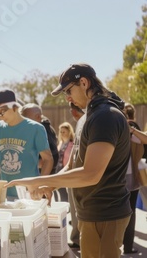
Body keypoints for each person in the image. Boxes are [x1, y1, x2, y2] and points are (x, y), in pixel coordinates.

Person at [6, 63, 131, 257]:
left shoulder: (106, 116)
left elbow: (91, 174)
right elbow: (73, 165)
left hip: (106, 213)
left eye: (69, 90)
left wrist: (38, 180)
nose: (68, 98)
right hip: (89, 212)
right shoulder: (87, 118)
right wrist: (50, 186)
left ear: (84, 82)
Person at [0, 89, 53, 200]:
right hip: (6, 192)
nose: (0, 116)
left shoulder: (36, 128)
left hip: (29, 194)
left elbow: (48, 159)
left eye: (2, 112)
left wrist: (39, 184)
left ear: (15, 107)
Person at [122, 102, 144, 254]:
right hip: (129, 176)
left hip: (121, 176)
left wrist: (132, 130)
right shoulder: (131, 128)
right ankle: (127, 246)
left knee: (123, 211)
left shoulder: (129, 128)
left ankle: (123, 244)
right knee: (129, 212)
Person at [20, 103, 59, 174]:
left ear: (38, 117)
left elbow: (53, 158)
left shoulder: (45, 131)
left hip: (42, 178)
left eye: (26, 119)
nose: (23, 122)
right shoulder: (31, 129)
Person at [66, 102, 85, 250]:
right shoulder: (81, 124)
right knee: (74, 212)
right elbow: (71, 163)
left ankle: (79, 239)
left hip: (83, 180)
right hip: (73, 178)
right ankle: (77, 239)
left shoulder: (87, 122)